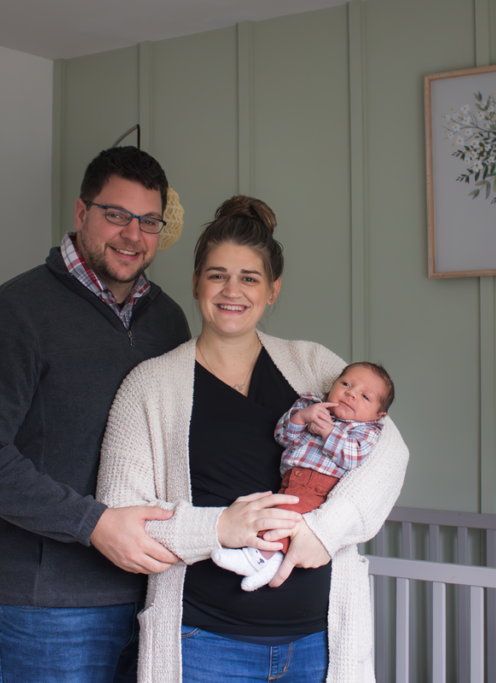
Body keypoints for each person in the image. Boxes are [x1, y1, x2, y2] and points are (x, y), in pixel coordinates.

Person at [96, 196, 409, 683]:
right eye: (217, 274)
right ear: (197, 281)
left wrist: (323, 533)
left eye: (249, 277)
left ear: (273, 290)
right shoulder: (151, 386)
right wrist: (218, 527)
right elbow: (120, 515)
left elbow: (390, 452)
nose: (231, 290)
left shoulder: (311, 364)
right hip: (203, 646)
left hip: (318, 645)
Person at [0, 146, 191, 683]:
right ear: (81, 214)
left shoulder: (170, 321)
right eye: (116, 215)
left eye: (149, 221)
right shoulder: (15, 311)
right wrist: (94, 524)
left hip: (155, 597)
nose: (133, 235)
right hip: (46, 609)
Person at [212, 361, 395, 591]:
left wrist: (329, 432)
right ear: (333, 384)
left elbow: (352, 457)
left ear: (379, 415)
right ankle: (270, 564)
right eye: (346, 383)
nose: (351, 393)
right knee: (272, 516)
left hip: (321, 486)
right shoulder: (311, 404)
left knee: (284, 520)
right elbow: (282, 437)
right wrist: (301, 417)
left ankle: (257, 557)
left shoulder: (366, 430)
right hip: (292, 480)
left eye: (365, 396)